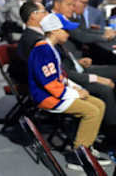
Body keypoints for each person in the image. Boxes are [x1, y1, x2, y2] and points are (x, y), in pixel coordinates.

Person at [28, 13, 110, 171]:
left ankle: (87, 147)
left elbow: (60, 77)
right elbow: (50, 84)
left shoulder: (51, 48)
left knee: (99, 104)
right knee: (92, 112)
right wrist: (75, 94)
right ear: (53, 31)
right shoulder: (42, 51)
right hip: (47, 97)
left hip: (57, 93)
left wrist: (75, 87)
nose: (68, 34)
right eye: (65, 30)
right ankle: (78, 157)